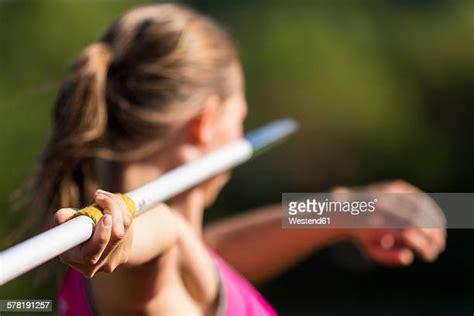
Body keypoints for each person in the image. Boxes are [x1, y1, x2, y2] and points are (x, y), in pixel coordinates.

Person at [25, 3, 446, 315]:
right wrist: (126, 234)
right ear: (205, 123)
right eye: (240, 118)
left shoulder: (192, 263)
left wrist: (343, 210)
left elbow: (214, 251)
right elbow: (161, 239)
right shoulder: (141, 272)